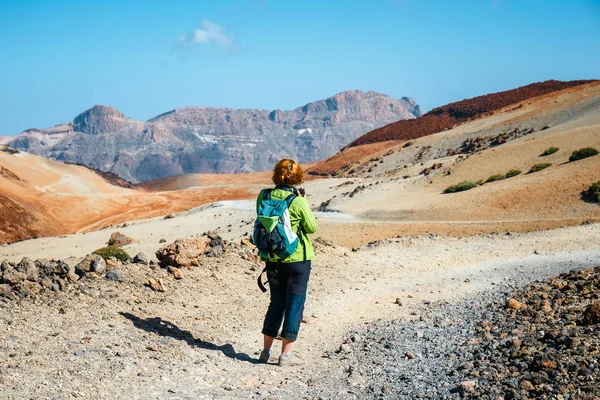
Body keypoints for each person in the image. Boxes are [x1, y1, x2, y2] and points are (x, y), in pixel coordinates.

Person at [257, 159, 317, 366]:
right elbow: (310, 227)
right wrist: (303, 201)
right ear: (297, 178)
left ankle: (265, 352)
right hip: (297, 259)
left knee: (276, 303)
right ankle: (285, 356)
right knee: (294, 305)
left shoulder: (263, 196)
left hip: (271, 259)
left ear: (276, 175)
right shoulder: (297, 201)